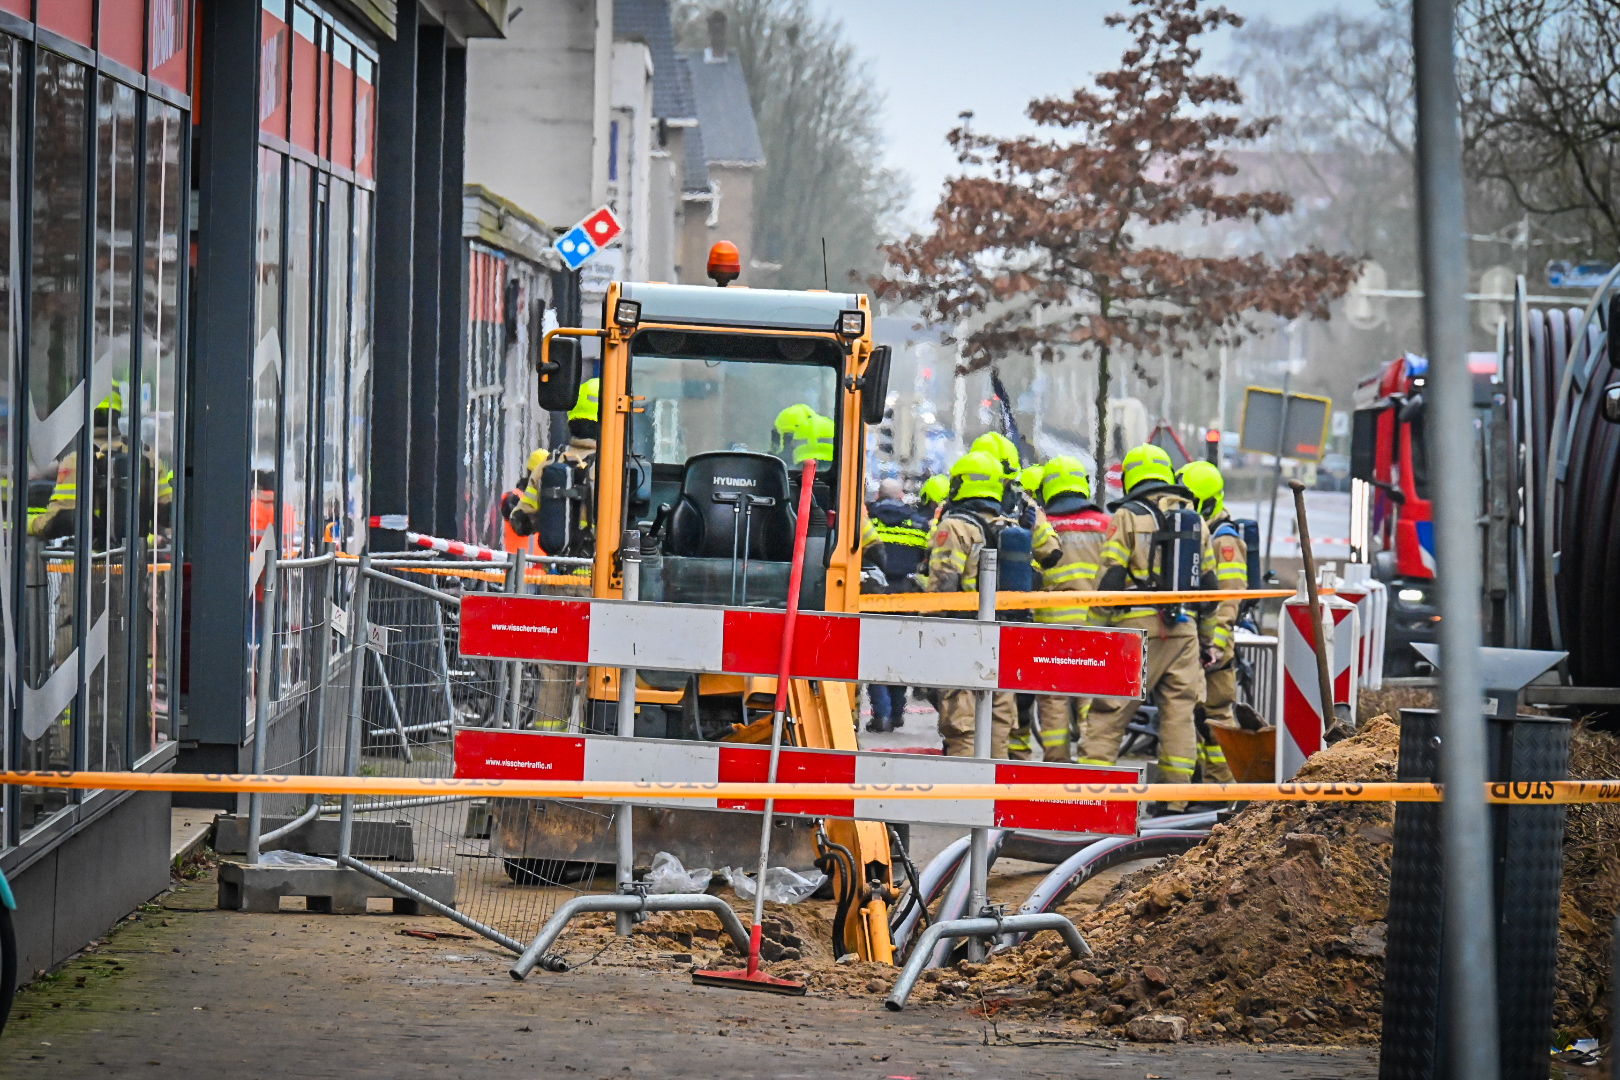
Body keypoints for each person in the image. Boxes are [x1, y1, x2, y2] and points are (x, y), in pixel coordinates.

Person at [1076, 444, 1215, 813]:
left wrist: (1094, 635)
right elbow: (1211, 588)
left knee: (1108, 713)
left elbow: (1111, 578)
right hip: (1184, 631)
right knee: (1179, 716)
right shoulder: (1194, 519)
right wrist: (1207, 640)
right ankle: (1174, 803)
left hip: (1134, 631)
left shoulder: (1127, 516)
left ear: (1131, 478)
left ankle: (1092, 800)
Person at [924, 452, 1022, 758]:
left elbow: (943, 584)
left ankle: (965, 786)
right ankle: (994, 785)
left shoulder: (955, 527)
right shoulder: (1011, 526)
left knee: (962, 724)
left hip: (964, 636)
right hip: (1004, 637)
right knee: (998, 724)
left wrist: (925, 635)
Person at [1023, 456, 1113, 762]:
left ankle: (1056, 762)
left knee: (1053, 697)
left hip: (1051, 626)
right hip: (1095, 624)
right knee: (1092, 694)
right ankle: (1091, 760)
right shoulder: (1105, 524)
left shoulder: (1042, 526)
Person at [1178, 460, 1244, 784]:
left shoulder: (1224, 540)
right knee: (1198, 717)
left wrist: (1214, 645)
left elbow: (1229, 599)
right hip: (1202, 642)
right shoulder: (1201, 534)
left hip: (1216, 646)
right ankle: (1206, 786)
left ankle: (1223, 787)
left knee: (1217, 717)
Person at [863, 478, 930, 732]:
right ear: (901, 495)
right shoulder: (919, 524)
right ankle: (898, 712)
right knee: (900, 654)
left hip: (873, 593)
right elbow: (926, 560)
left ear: (878, 496)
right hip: (907, 594)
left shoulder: (869, 521)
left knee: (874, 655)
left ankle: (882, 715)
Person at [509, 378, 600, 557]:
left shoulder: (549, 462)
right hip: (600, 568)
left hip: (558, 570)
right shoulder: (612, 469)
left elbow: (521, 521)